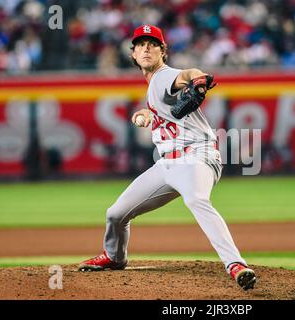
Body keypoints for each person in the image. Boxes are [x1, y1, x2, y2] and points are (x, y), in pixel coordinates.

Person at [78, 25, 256, 290]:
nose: (146, 48)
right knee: (115, 214)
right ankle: (115, 257)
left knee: (196, 199)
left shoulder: (163, 76)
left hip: (197, 156)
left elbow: (187, 74)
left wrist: (198, 79)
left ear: (163, 51)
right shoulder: (153, 88)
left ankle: (235, 264)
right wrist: (149, 115)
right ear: (133, 54)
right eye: (140, 45)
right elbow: (164, 109)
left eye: (152, 44)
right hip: (168, 164)